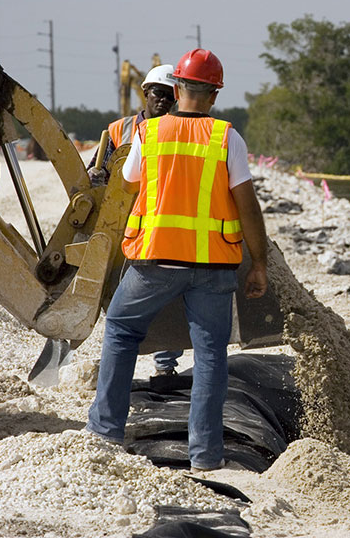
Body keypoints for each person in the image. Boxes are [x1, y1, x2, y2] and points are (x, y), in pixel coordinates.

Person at [85, 48, 269, 471]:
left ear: (178, 88)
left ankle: (106, 432)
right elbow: (248, 206)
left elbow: (128, 182)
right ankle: (205, 456)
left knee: (121, 330)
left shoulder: (148, 135)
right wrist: (258, 263)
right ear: (214, 94)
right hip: (213, 266)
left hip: (155, 261)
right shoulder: (227, 138)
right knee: (209, 356)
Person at [87, 63, 185, 378]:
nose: (164, 100)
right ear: (145, 92)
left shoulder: (181, 131)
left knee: (169, 298)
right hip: (121, 226)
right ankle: (116, 365)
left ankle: (165, 367)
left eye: (171, 95)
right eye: (159, 93)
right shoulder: (119, 130)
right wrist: (97, 175)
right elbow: (96, 172)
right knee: (118, 297)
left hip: (162, 226)